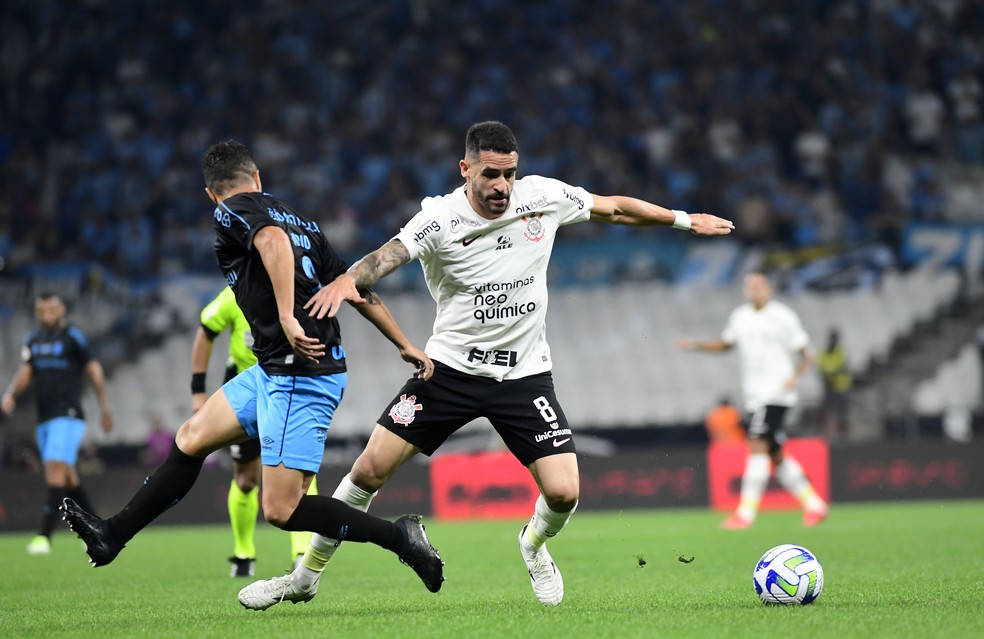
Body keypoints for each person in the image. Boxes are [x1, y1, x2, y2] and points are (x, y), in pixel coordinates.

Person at [239, 120, 735, 609]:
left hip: (523, 376)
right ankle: (304, 578)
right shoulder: (440, 220)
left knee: (563, 493)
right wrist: (351, 278)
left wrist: (684, 219)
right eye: (491, 175)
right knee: (367, 471)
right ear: (466, 169)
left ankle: (533, 545)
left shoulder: (541, 196)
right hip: (448, 372)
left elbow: (614, 209)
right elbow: (388, 255)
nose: (502, 186)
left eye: (509, 174)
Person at [59, 140, 445, 601]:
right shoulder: (301, 220)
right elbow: (354, 286)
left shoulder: (231, 211)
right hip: (273, 370)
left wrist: (285, 315)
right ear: (258, 176)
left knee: (282, 509)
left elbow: (272, 242)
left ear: (210, 193)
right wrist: (404, 343)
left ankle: (401, 538)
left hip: (300, 373)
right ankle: (112, 534)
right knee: (190, 439)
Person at [678, 271, 828, 529]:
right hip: (755, 396)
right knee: (775, 453)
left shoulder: (783, 316)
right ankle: (815, 505)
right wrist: (696, 345)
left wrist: (795, 377)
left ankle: (745, 514)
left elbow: (806, 353)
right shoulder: (740, 317)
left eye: (758, 285)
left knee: (756, 444)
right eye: (750, 286)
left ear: (768, 288)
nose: (754, 290)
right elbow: (726, 345)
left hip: (777, 394)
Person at [192, 285, 319, 577]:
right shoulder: (234, 294)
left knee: (299, 466)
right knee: (247, 480)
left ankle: (301, 553)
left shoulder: (298, 289)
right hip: (247, 386)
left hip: (289, 382)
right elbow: (206, 331)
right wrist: (197, 389)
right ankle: (243, 553)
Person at [1, 292, 114, 555]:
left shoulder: (74, 336)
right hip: (45, 418)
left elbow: (94, 369)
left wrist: (105, 407)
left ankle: (44, 537)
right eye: (43, 309)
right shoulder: (33, 339)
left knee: (54, 471)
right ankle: (102, 529)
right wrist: (11, 396)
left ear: (62, 309)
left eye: (53, 308)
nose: (48, 313)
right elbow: (26, 372)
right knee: (68, 477)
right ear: (37, 311)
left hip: (69, 414)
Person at [816, 328, 852, 441]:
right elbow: (821, 367)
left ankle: (843, 436)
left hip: (841, 388)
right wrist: (829, 373)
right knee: (828, 413)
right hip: (829, 388)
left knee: (842, 414)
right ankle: (827, 436)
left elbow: (839, 367)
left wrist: (829, 373)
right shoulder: (823, 352)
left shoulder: (841, 352)